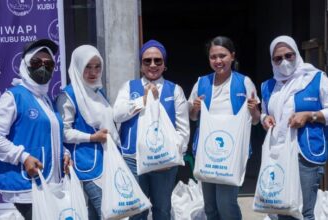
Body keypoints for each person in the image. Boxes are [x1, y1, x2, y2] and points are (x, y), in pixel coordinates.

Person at [113, 39, 190, 220]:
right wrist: (143, 100)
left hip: (164, 162)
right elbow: (117, 115)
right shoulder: (129, 87)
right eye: (147, 61)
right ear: (141, 65)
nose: (153, 65)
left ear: (164, 65)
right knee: (137, 210)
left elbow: (183, 129)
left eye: (158, 60)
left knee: (162, 209)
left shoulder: (175, 90)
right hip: (133, 159)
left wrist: (173, 156)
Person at [188, 36, 261, 220]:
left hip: (232, 154)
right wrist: (195, 108)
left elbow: (255, 121)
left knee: (226, 204)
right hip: (208, 153)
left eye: (223, 55)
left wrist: (253, 111)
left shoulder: (244, 82)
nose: (218, 61)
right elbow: (192, 116)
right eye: (213, 57)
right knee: (210, 206)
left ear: (233, 56)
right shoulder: (201, 82)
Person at [0, 39, 71, 220]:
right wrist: (23, 157)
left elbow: (50, 136)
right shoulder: (13, 97)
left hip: (50, 185)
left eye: (48, 64)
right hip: (26, 188)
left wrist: (65, 152)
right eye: (36, 62)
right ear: (25, 65)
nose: (43, 68)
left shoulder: (46, 99)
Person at [261, 35, 328, 220]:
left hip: (304, 153)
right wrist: (265, 118)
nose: (284, 61)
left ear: (296, 54)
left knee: (304, 211)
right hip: (279, 153)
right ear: (272, 61)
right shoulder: (268, 86)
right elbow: (265, 113)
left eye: (288, 55)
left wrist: (310, 115)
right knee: (282, 208)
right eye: (278, 58)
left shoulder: (316, 78)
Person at [56, 45, 120, 220]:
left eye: (97, 66)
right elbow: (63, 132)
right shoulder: (68, 95)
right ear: (77, 67)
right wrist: (92, 137)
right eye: (87, 67)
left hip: (106, 160)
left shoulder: (99, 92)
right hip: (86, 163)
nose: (93, 72)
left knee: (96, 214)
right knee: (109, 213)